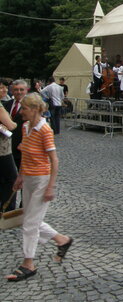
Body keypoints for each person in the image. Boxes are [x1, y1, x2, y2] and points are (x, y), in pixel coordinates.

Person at [5, 93, 73, 282]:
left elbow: (54, 160)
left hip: (42, 179)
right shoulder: (26, 127)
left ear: (34, 109)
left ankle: (28, 263)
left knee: (29, 224)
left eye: (24, 108)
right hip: (28, 178)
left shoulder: (45, 129)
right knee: (30, 218)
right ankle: (62, 240)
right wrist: (20, 176)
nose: (21, 112)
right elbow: (26, 155)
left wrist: (51, 186)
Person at [6, 80, 28, 172]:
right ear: (12, 91)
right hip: (7, 146)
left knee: (23, 175)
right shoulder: (6, 104)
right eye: (16, 89)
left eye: (21, 89)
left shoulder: (30, 106)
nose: (18, 92)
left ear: (26, 90)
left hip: (22, 146)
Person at [0, 101, 18, 211]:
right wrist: (14, 123)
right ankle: (6, 210)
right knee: (11, 179)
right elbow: (11, 126)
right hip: (2, 150)